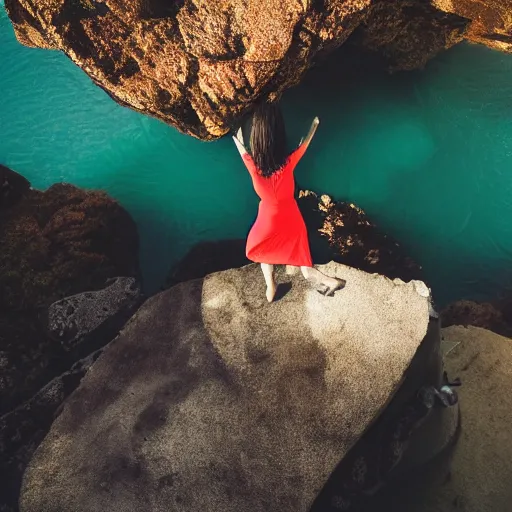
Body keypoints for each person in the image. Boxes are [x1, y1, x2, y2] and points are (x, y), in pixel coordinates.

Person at [232, 101, 345, 303]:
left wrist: (237, 125)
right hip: (291, 218)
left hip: (267, 219)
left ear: (256, 139)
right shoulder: (288, 162)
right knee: (303, 264)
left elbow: (239, 143)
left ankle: (271, 288)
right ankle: (330, 282)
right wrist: (315, 125)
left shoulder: (252, 165)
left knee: (263, 251)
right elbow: (306, 142)